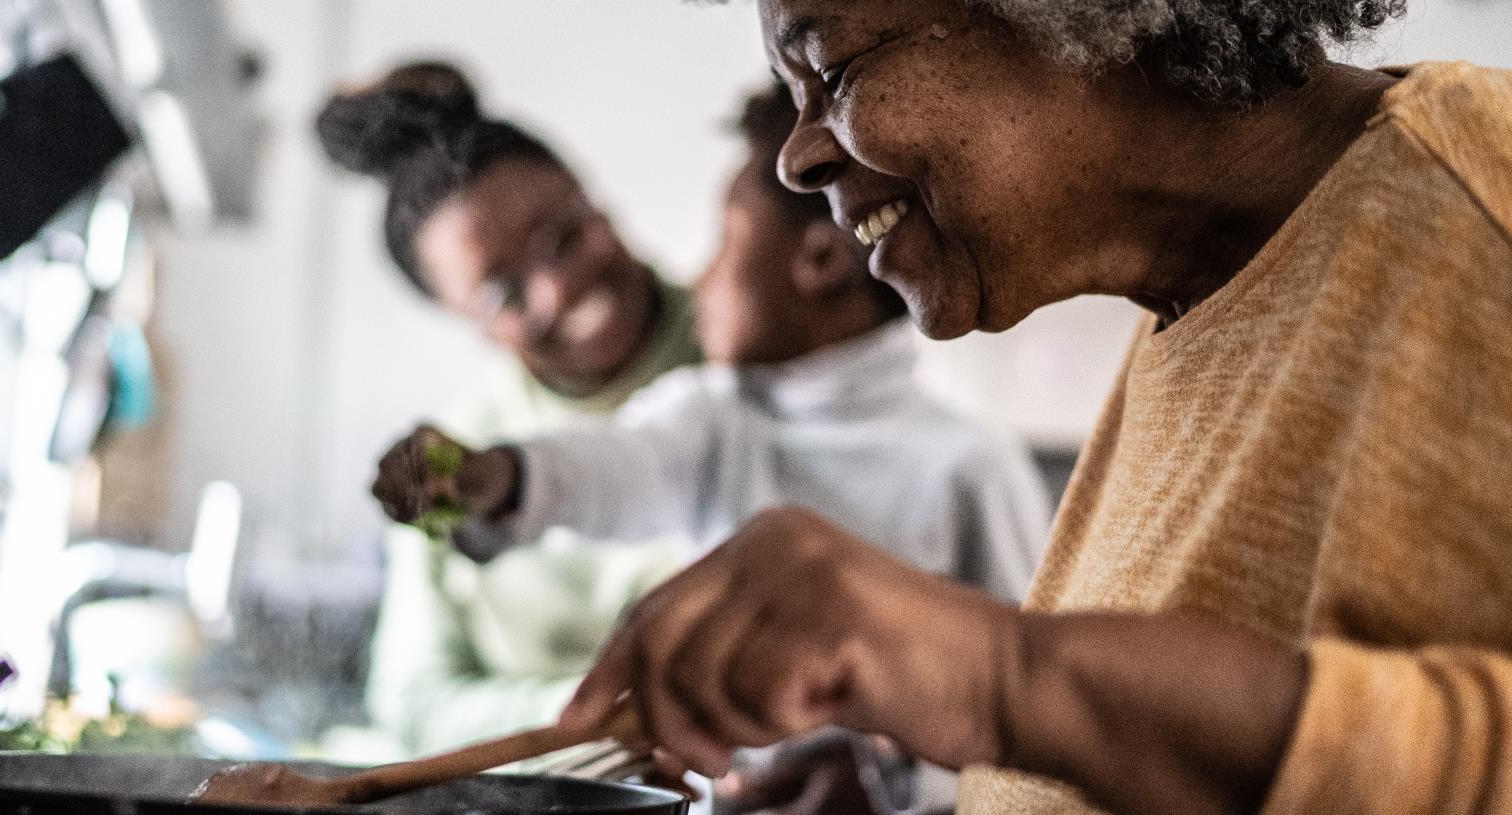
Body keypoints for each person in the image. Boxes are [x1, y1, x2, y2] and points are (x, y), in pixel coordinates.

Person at [556, 2, 1512, 815]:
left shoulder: (1480, 201)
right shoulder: (1204, 299)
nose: (798, 160)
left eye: (833, 70)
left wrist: (1000, 679)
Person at [373, 82, 1053, 814]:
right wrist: (498, 475)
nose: (700, 276)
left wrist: (900, 782)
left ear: (819, 261)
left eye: (724, 245)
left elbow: (1035, 706)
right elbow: (613, 465)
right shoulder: (711, 415)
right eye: (505, 293)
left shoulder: (968, 464)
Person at [317, 61, 700, 757]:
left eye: (564, 234)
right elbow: (413, 700)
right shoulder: (455, 462)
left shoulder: (761, 344)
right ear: (467, 323)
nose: (557, 288)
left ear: (592, 195)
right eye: (505, 293)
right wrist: (602, 714)